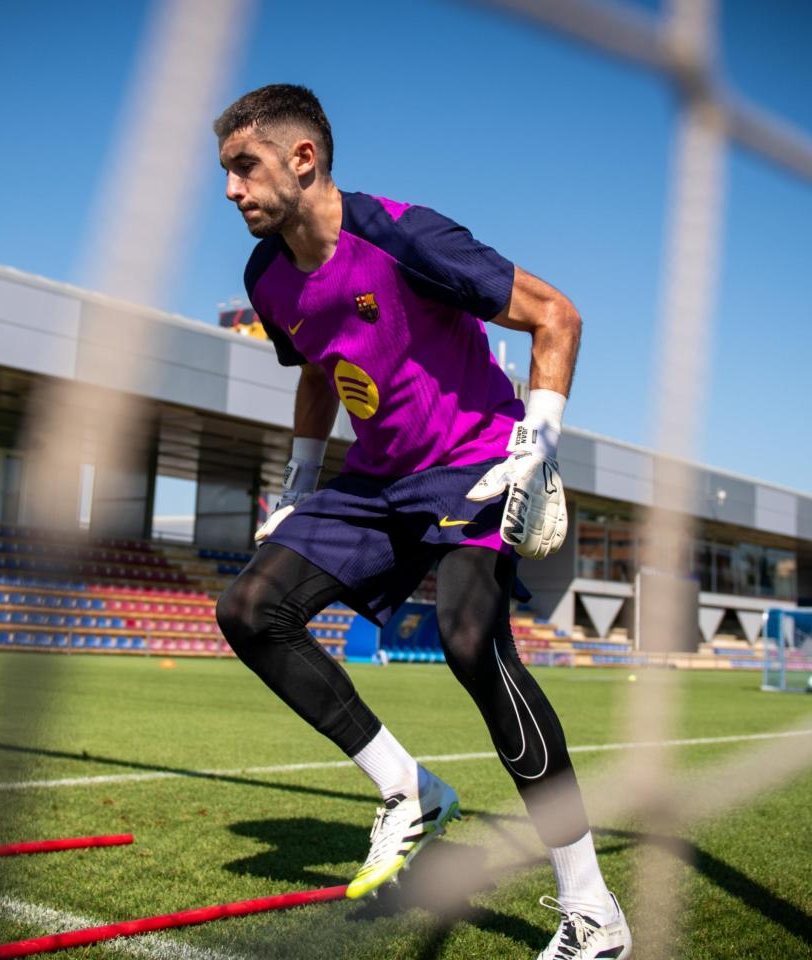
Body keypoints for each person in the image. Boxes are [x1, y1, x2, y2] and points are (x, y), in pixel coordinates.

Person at [211, 85, 628, 960]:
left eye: (243, 167)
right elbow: (319, 369)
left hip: (477, 464)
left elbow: (558, 315)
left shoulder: (404, 235)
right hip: (376, 481)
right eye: (224, 173)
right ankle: (410, 791)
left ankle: (592, 913)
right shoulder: (264, 275)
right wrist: (299, 478)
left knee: (471, 644)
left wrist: (538, 445)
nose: (230, 190)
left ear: (303, 160)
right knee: (250, 610)